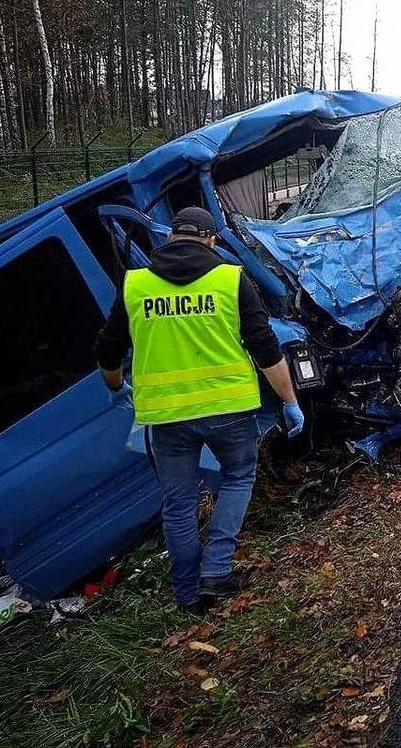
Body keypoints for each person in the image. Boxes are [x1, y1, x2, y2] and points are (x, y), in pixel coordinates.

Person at [95, 207, 305, 613]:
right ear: (211, 240)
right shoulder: (230, 279)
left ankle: (188, 594)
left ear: (171, 238)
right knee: (238, 478)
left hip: (167, 419)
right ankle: (218, 570)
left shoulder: (135, 285)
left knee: (179, 502)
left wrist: (116, 388)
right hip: (229, 410)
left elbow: (107, 349)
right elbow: (266, 350)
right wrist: (290, 401)